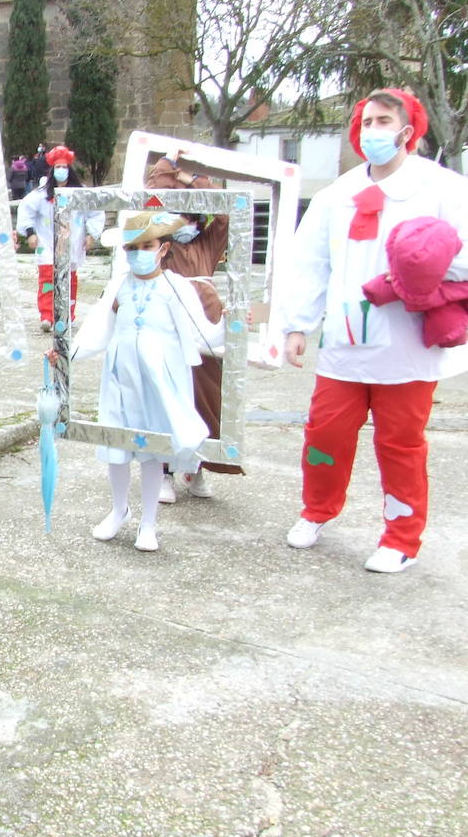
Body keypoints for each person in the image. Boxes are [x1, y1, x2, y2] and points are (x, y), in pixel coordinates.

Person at [271, 88, 468, 573]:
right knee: (325, 435)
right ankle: (316, 510)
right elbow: (309, 262)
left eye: (383, 121)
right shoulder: (339, 194)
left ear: (407, 130)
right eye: (365, 122)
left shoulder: (444, 188)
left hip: (405, 348)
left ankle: (401, 535)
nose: (371, 131)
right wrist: (298, 325)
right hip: (344, 343)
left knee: (400, 444)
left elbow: (461, 259)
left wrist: (411, 276)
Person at [63, 211, 223, 552]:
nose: (139, 253)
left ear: (162, 248)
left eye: (146, 245)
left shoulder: (176, 287)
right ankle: (118, 509)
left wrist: (233, 325)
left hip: (158, 379)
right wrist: (67, 354)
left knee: (152, 451)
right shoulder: (119, 285)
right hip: (121, 375)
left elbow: (201, 334)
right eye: (132, 247)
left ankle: (148, 522)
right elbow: (97, 330)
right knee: (116, 446)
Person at [145, 153, 244, 503]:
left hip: (205, 324)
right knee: (164, 397)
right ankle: (163, 473)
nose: (182, 220)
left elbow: (225, 210)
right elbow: (152, 188)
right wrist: (171, 169)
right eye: (178, 214)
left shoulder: (207, 239)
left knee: (201, 399)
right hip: (166, 324)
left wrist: (191, 179)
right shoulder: (159, 242)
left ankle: (196, 466)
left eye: (188, 213)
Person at [15, 145, 102, 330]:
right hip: (47, 243)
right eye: (58, 167)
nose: (61, 171)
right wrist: (30, 233)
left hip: (72, 243)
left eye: (64, 167)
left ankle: (67, 314)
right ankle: (47, 315)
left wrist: (91, 235)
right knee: (47, 279)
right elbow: (25, 210)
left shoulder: (82, 193)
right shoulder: (40, 194)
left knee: (69, 280)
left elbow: (95, 212)